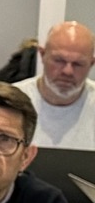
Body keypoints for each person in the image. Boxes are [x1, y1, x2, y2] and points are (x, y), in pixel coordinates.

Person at [13, 20, 95, 149]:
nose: (67, 71)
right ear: (42, 55)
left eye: (78, 64)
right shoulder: (10, 102)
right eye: (59, 61)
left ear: (91, 64)